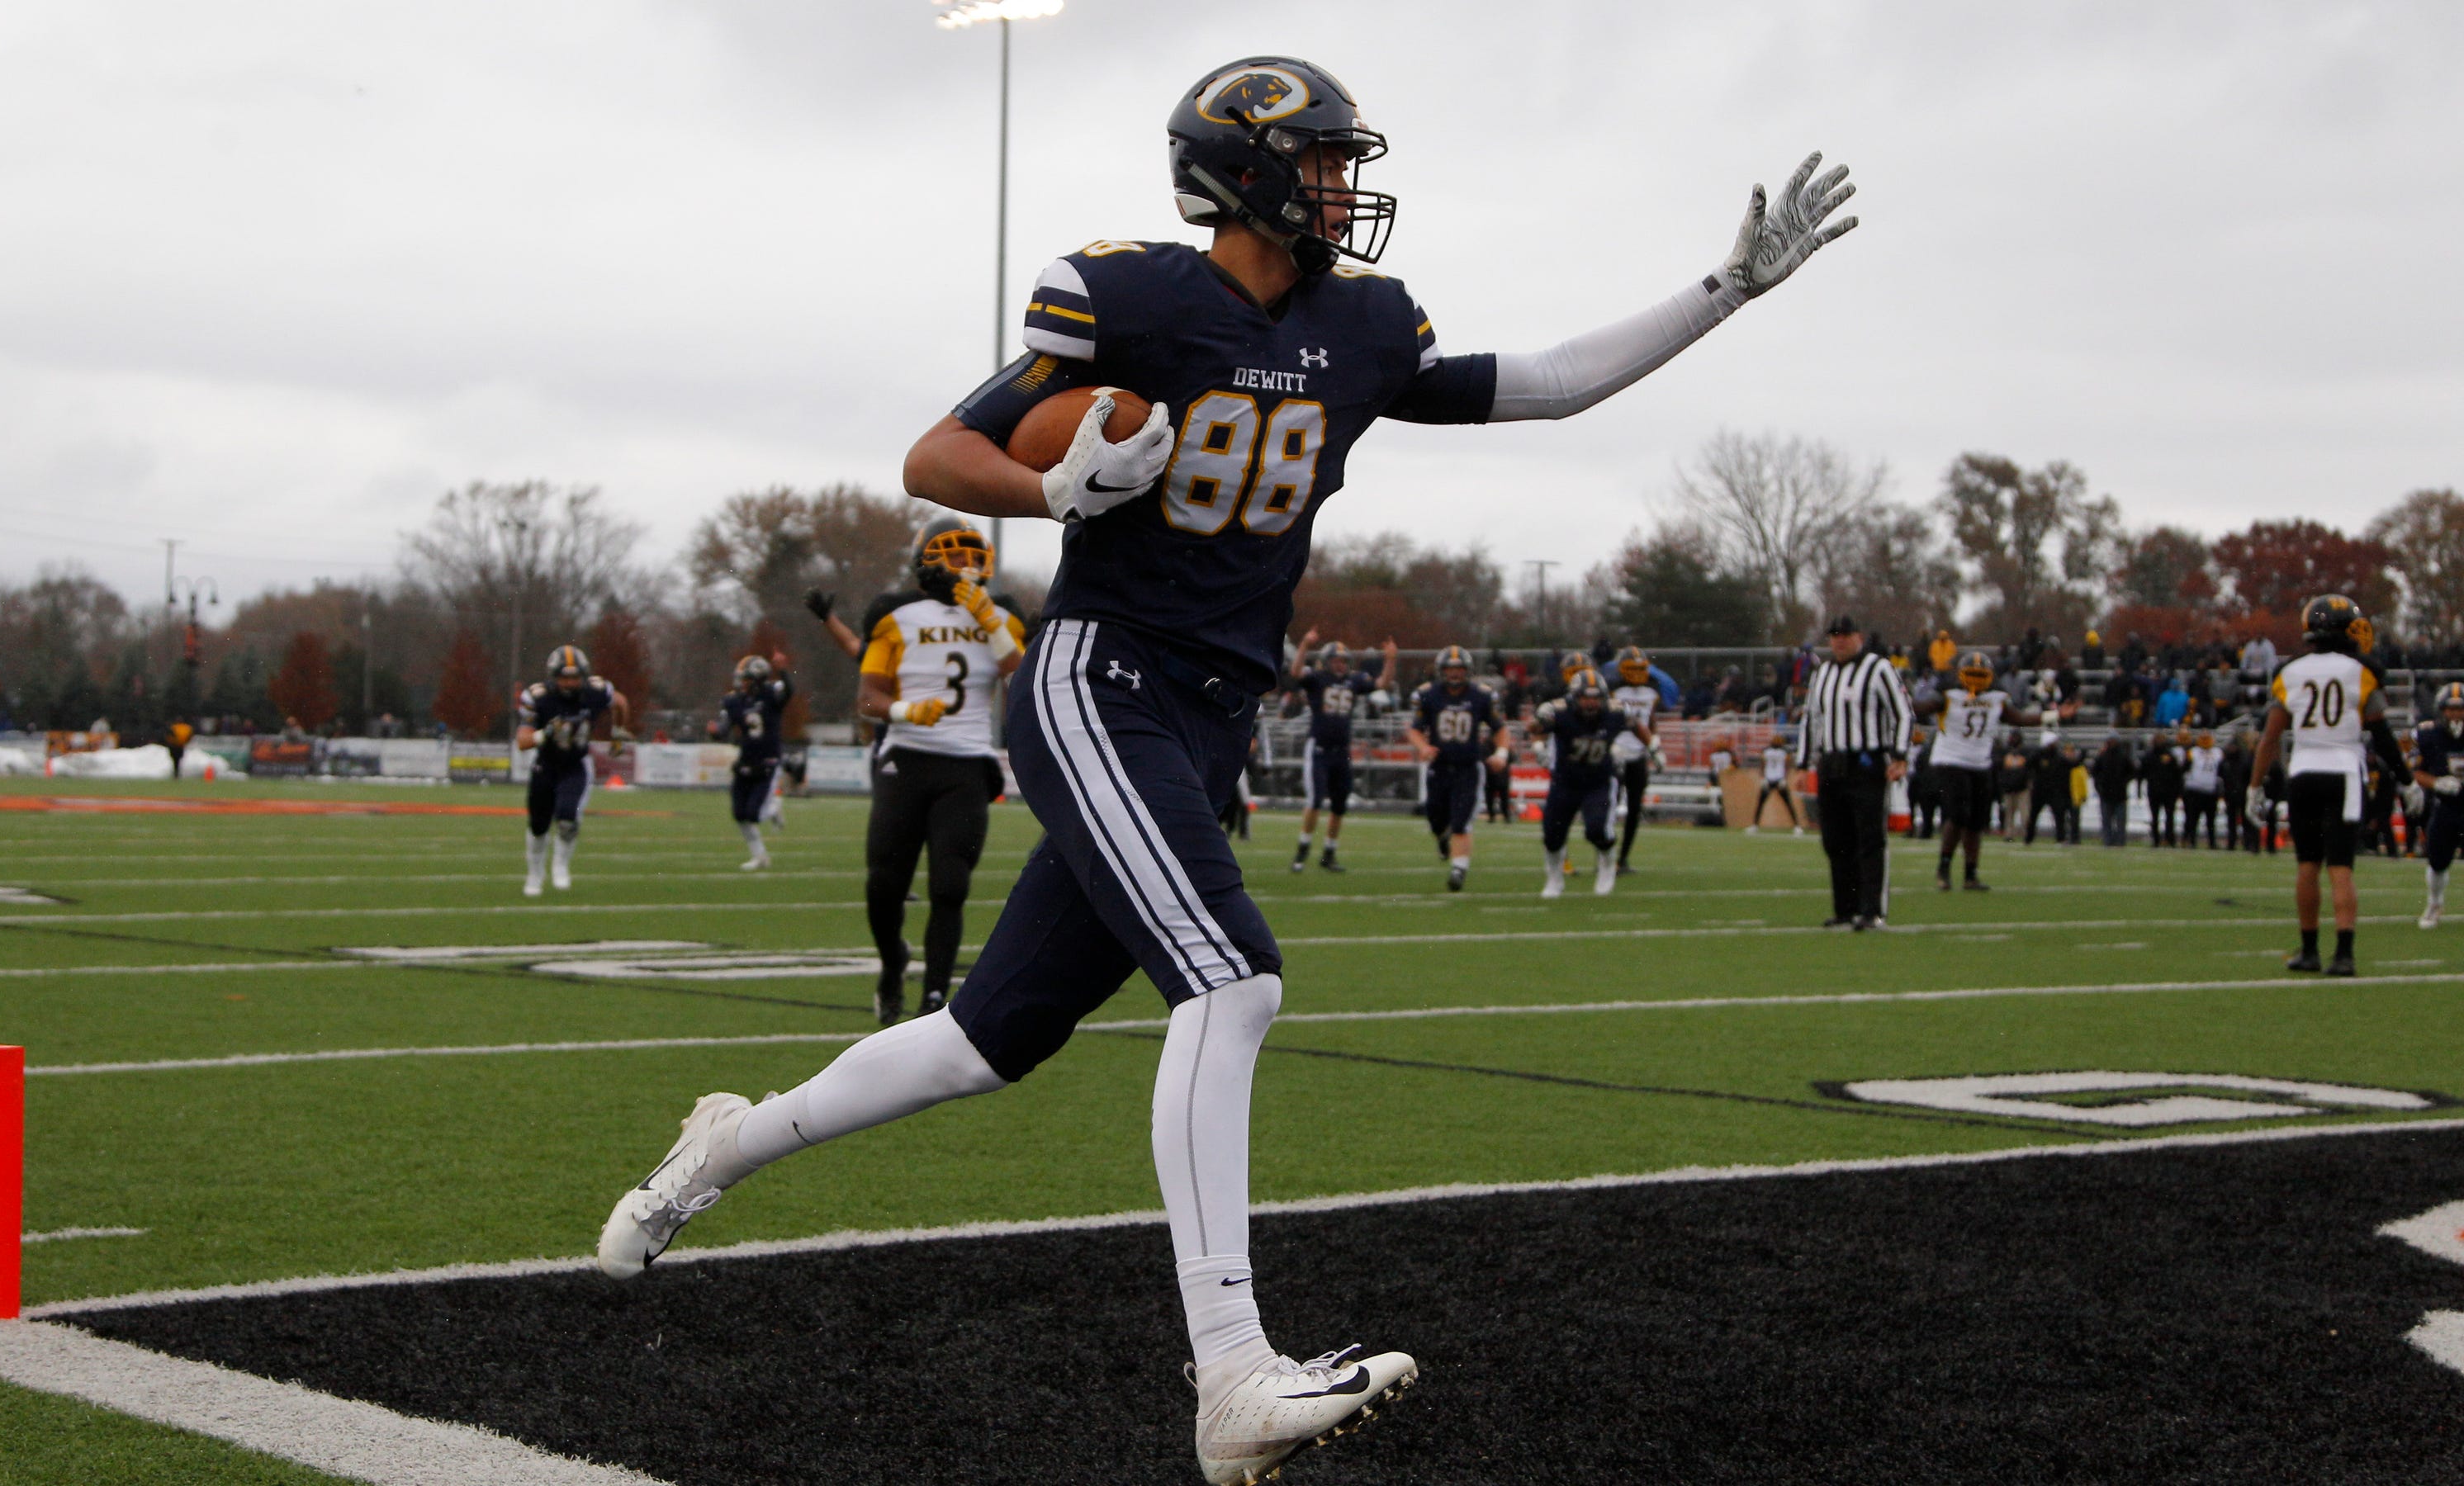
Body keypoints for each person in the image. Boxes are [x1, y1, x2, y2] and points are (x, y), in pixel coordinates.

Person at [594, 55, 1861, 1484]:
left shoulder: (1360, 327)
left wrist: (1725, 289)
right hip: (1098, 674)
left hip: (1204, 715)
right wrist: (1050, 488)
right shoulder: (1134, 297)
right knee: (1234, 979)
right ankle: (1232, 1373)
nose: (1344, 187)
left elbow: (1551, 386)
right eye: (1322, 162)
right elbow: (939, 453)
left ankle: (717, 1152)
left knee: (982, 1039)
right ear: (1247, 172)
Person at [851, 518, 1026, 1025]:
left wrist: (989, 621)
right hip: (907, 759)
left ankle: (934, 996)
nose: (964, 566)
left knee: (951, 885)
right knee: (885, 884)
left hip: (967, 764)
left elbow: (1024, 678)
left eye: (971, 555)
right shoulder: (896, 615)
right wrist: (907, 711)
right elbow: (868, 696)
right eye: (951, 555)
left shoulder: (1003, 616)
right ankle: (892, 965)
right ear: (926, 562)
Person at [2248, 594, 2399, 977]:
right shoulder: (2361, 671)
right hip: (2344, 771)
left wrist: (2254, 785)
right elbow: (2381, 732)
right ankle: (2344, 955)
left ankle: (2310, 951)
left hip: (2303, 772)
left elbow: (2270, 736)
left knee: (2307, 865)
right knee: (2341, 867)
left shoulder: (2290, 672)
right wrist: (2409, 779)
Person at [1800, 614, 1910, 930]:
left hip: (1866, 764)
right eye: (1834, 635)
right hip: (1831, 765)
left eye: (1845, 635)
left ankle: (1872, 910)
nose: (1839, 640)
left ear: (1858, 636)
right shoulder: (1822, 673)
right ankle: (1845, 910)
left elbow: (1902, 713)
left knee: (1869, 838)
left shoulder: (1878, 669)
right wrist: (1803, 762)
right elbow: (1812, 718)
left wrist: (1899, 755)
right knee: (1835, 840)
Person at [1922, 650, 2049, 888]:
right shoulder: (1948, 696)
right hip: (1950, 760)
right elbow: (1921, 707)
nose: (1976, 680)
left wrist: (2053, 715)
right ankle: (1944, 867)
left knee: (1977, 822)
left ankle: (1970, 874)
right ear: (1960, 674)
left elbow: (2019, 718)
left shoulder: (1997, 699)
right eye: (1972, 674)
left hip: (1980, 763)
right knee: (1959, 814)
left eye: (1981, 675)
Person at [515, 645, 628, 897]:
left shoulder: (595, 692)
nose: (569, 683)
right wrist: (544, 734)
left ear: (584, 676)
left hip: (576, 764)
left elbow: (620, 703)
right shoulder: (539, 697)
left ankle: (561, 866)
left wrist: (617, 732)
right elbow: (522, 742)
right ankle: (535, 873)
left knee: (568, 819)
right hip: (545, 765)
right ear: (553, 676)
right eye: (564, 677)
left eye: (575, 677)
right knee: (538, 826)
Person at [1532, 668, 1651, 898]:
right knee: (1552, 836)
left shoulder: (1615, 713)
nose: (1591, 703)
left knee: (1597, 830)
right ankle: (1554, 878)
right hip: (1564, 781)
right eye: (1586, 697)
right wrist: (1538, 734)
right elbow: (1535, 728)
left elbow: (1638, 728)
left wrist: (1653, 747)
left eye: (1596, 697)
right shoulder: (1561, 711)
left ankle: (1607, 862)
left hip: (1599, 782)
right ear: (1575, 697)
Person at [1284, 634, 1388, 873]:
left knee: (1340, 804)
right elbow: (1297, 671)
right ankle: (1302, 850)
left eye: (1344, 661)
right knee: (1315, 800)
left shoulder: (1354, 681)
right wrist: (1305, 645)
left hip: (1342, 752)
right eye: (1336, 660)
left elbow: (1381, 683)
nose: (1341, 665)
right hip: (1319, 748)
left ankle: (1329, 853)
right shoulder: (1318, 679)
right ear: (1327, 661)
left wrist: (1390, 660)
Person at [1410, 644, 1499, 892]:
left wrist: (1501, 752)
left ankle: (1458, 870)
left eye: (1459, 669)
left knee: (1460, 822)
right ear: (1442, 670)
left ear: (1467, 671)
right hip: (1439, 767)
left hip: (1467, 768)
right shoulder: (1429, 695)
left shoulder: (1480, 695)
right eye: (1450, 668)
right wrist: (1423, 747)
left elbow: (1499, 728)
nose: (1455, 673)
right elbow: (1414, 729)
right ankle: (1443, 839)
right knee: (1436, 819)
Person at [708, 655, 790, 870]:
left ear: (758, 678)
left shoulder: (771, 694)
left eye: (746, 678)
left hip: (768, 762)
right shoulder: (735, 701)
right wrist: (716, 732)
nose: (742, 682)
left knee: (753, 813)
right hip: (746, 761)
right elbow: (724, 728)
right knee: (739, 814)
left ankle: (773, 809)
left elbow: (789, 692)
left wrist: (783, 672)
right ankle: (760, 856)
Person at [2411, 682, 2464, 927]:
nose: (2455, 714)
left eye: (2460, 709)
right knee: (2437, 859)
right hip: (2446, 806)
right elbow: (2416, 771)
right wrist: (2436, 783)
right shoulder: (2429, 734)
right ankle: (2435, 902)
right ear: (2441, 710)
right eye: (2451, 709)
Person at [1609, 646, 1665, 873]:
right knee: (1609, 807)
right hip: (1616, 753)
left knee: (1634, 809)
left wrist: (1655, 746)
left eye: (1640, 669)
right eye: (1632, 669)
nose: (1637, 673)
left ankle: (1623, 859)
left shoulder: (1652, 690)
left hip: (1639, 755)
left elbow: (1650, 721)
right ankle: (1606, 856)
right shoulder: (1613, 689)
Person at [2181, 728, 2224, 848]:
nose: (2205, 740)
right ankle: (2191, 841)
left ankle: (2212, 842)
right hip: (2195, 790)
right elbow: (2184, 769)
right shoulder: (2192, 752)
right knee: (2192, 819)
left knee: (2211, 821)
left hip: (2210, 791)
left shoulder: (2218, 752)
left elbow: (2222, 771)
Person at [2089, 734, 2135, 847]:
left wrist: (2124, 782)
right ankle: (2108, 841)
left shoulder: (2123, 756)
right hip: (2106, 794)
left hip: (2120, 794)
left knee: (2120, 821)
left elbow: (2132, 772)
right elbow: (2095, 772)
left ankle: (2120, 841)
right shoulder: (2102, 757)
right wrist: (2099, 786)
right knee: (2106, 821)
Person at [2141, 731, 2182, 846]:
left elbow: (2177, 774)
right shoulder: (2149, 756)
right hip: (2154, 791)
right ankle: (2156, 840)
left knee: (2169, 817)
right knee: (2155, 818)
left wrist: (2178, 790)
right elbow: (2142, 772)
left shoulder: (2170, 755)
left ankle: (2170, 839)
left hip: (2169, 792)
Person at [1754, 734, 1800, 833]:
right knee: (1760, 803)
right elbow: (1762, 765)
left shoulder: (1784, 752)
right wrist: (1763, 778)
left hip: (1779, 779)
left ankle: (1797, 826)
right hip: (1769, 779)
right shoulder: (1767, 751)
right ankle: (1754, 825)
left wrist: (1784, 778)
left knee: (1788, 803)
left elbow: (1787, 766)